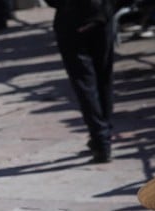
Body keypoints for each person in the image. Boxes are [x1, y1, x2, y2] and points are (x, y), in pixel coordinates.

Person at [47, 0, 115, 163]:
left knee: (86, 83)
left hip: (75, 17)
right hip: (97, 14)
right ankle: (101, 136)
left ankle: (100, 138)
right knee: (101, 79)